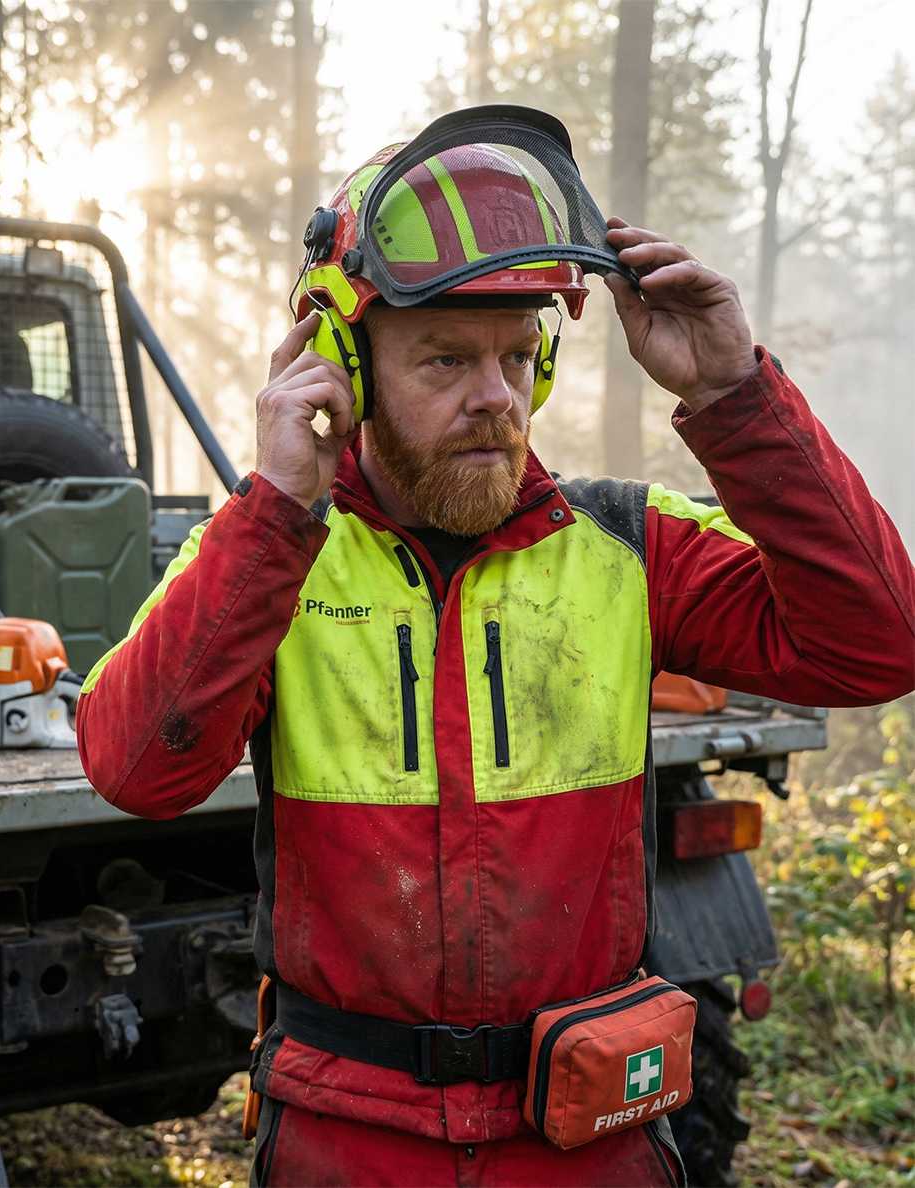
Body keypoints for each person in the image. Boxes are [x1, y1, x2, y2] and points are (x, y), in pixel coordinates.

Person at [77, 107, 914, 1187]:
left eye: (519, 356)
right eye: (445, 359)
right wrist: (276, 510)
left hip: (588, 1137)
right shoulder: (268, 557)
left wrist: (733, 393)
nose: (496, 401)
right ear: (344, 366)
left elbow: (877, 645)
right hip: (348, 1138)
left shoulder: (627, 546)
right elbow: (136, 772)